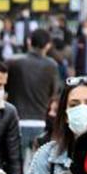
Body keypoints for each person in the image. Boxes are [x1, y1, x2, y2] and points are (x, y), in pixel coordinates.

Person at [6, 28, 59, 164]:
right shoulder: (51, 65)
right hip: (40, 122)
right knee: (39, 169)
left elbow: (4, 88)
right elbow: (54, 93)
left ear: (29, 42)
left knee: (15, 166)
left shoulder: (13, 62)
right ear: (48, 45)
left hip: (16, 121)